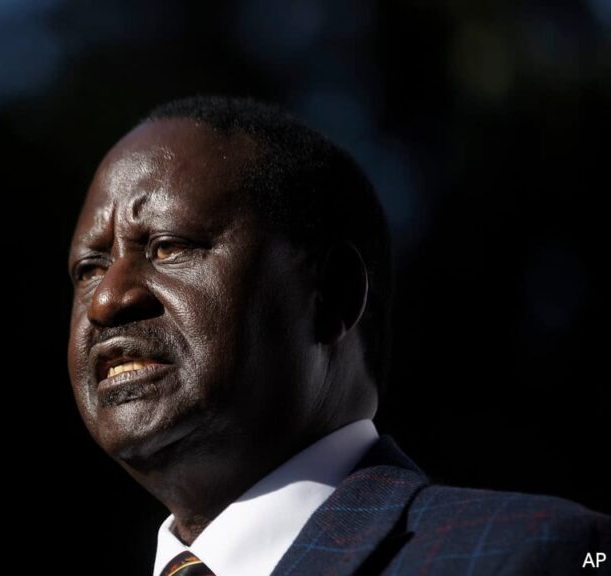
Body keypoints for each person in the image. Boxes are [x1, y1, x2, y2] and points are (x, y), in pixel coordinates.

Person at [66, 96, 610, 576]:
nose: (107, 299)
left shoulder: (535, 553)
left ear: (331, 296)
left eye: (167, 247)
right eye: (90, 268)